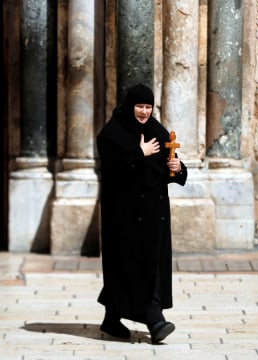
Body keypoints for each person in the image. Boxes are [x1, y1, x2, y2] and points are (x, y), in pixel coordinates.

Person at [96, 84, 187, 343]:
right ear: (129, 106)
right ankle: (155, 320)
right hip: (125, 216)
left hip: (154, 216)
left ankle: (112, 317)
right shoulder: (111, 133)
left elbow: (171, 166)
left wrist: (178, 168)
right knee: (137, 266)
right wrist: (139, 153)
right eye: (139, 106)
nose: (144, 112)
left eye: (148, 106)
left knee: (146, 266)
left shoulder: (156, 131)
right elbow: (112, 171)